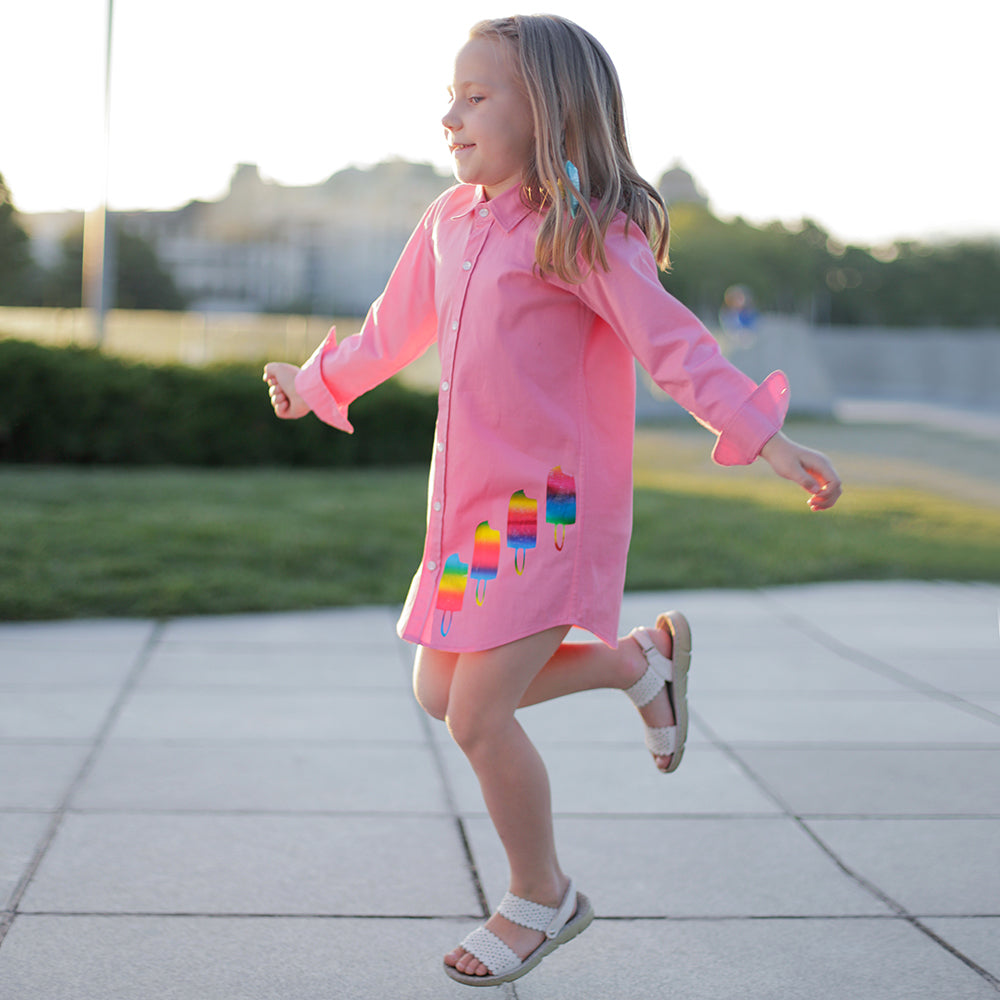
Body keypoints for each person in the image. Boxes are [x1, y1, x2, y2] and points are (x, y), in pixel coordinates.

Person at [263, 14, 842, 987]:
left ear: (547, 109)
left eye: (475, 95)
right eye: (447, 96)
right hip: (471, 511)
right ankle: (637, 665)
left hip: (551, 512)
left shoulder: (584, 229)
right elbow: (387, 331)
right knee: (439, 690)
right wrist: (316, 382)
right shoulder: (448, 222)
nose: (449, 116)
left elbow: (673, 342)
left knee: (479, 717)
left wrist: (762, 432)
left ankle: (541, 895)